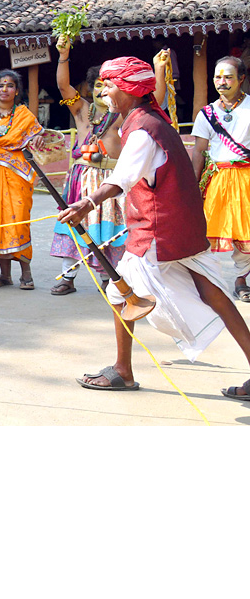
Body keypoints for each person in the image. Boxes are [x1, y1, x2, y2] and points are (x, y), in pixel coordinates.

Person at [57, 56, 250, 399]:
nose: (104, 92)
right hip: (183, 225)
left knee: (120, 294)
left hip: (157, 228)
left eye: (110, 85)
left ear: (129, 89)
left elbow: (122, 178)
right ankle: (122, 369)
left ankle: (122, 371)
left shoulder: (143, 128)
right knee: (214, 294)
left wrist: (86, 203)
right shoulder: (149, 118)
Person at [48, 38, 127, 296]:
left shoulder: (125, 113)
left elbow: (157, 99)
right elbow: (62, 85)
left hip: (110, 180)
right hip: (81, 178)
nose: (102, 91)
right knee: (74, 225)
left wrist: (160, 71)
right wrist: (63, 54)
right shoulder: (82, 110)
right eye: (97, 85)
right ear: (89, 89)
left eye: (108, 85)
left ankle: (108, 277)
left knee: (106, 229)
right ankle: (67, 277)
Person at [190, 55, 250, 302]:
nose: (222, 82)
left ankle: (241, 280)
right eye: (218, 77)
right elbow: (199, 151)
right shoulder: (206, 114)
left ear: (241, 79)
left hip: (247, 178)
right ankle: (208, 282)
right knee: (208, 231)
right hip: (216, 180)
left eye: (228, 77)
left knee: (246, 233)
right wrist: (192, 186)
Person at [0, 69, 44, 290]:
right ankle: (4, 275)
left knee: (18, 221)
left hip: (18, 175)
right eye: (1, 85)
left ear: (17, 91)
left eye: (10, 86)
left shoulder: (25, 116)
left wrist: (37, 141)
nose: (4, 89)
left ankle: (26, 273)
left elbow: (37, 138)